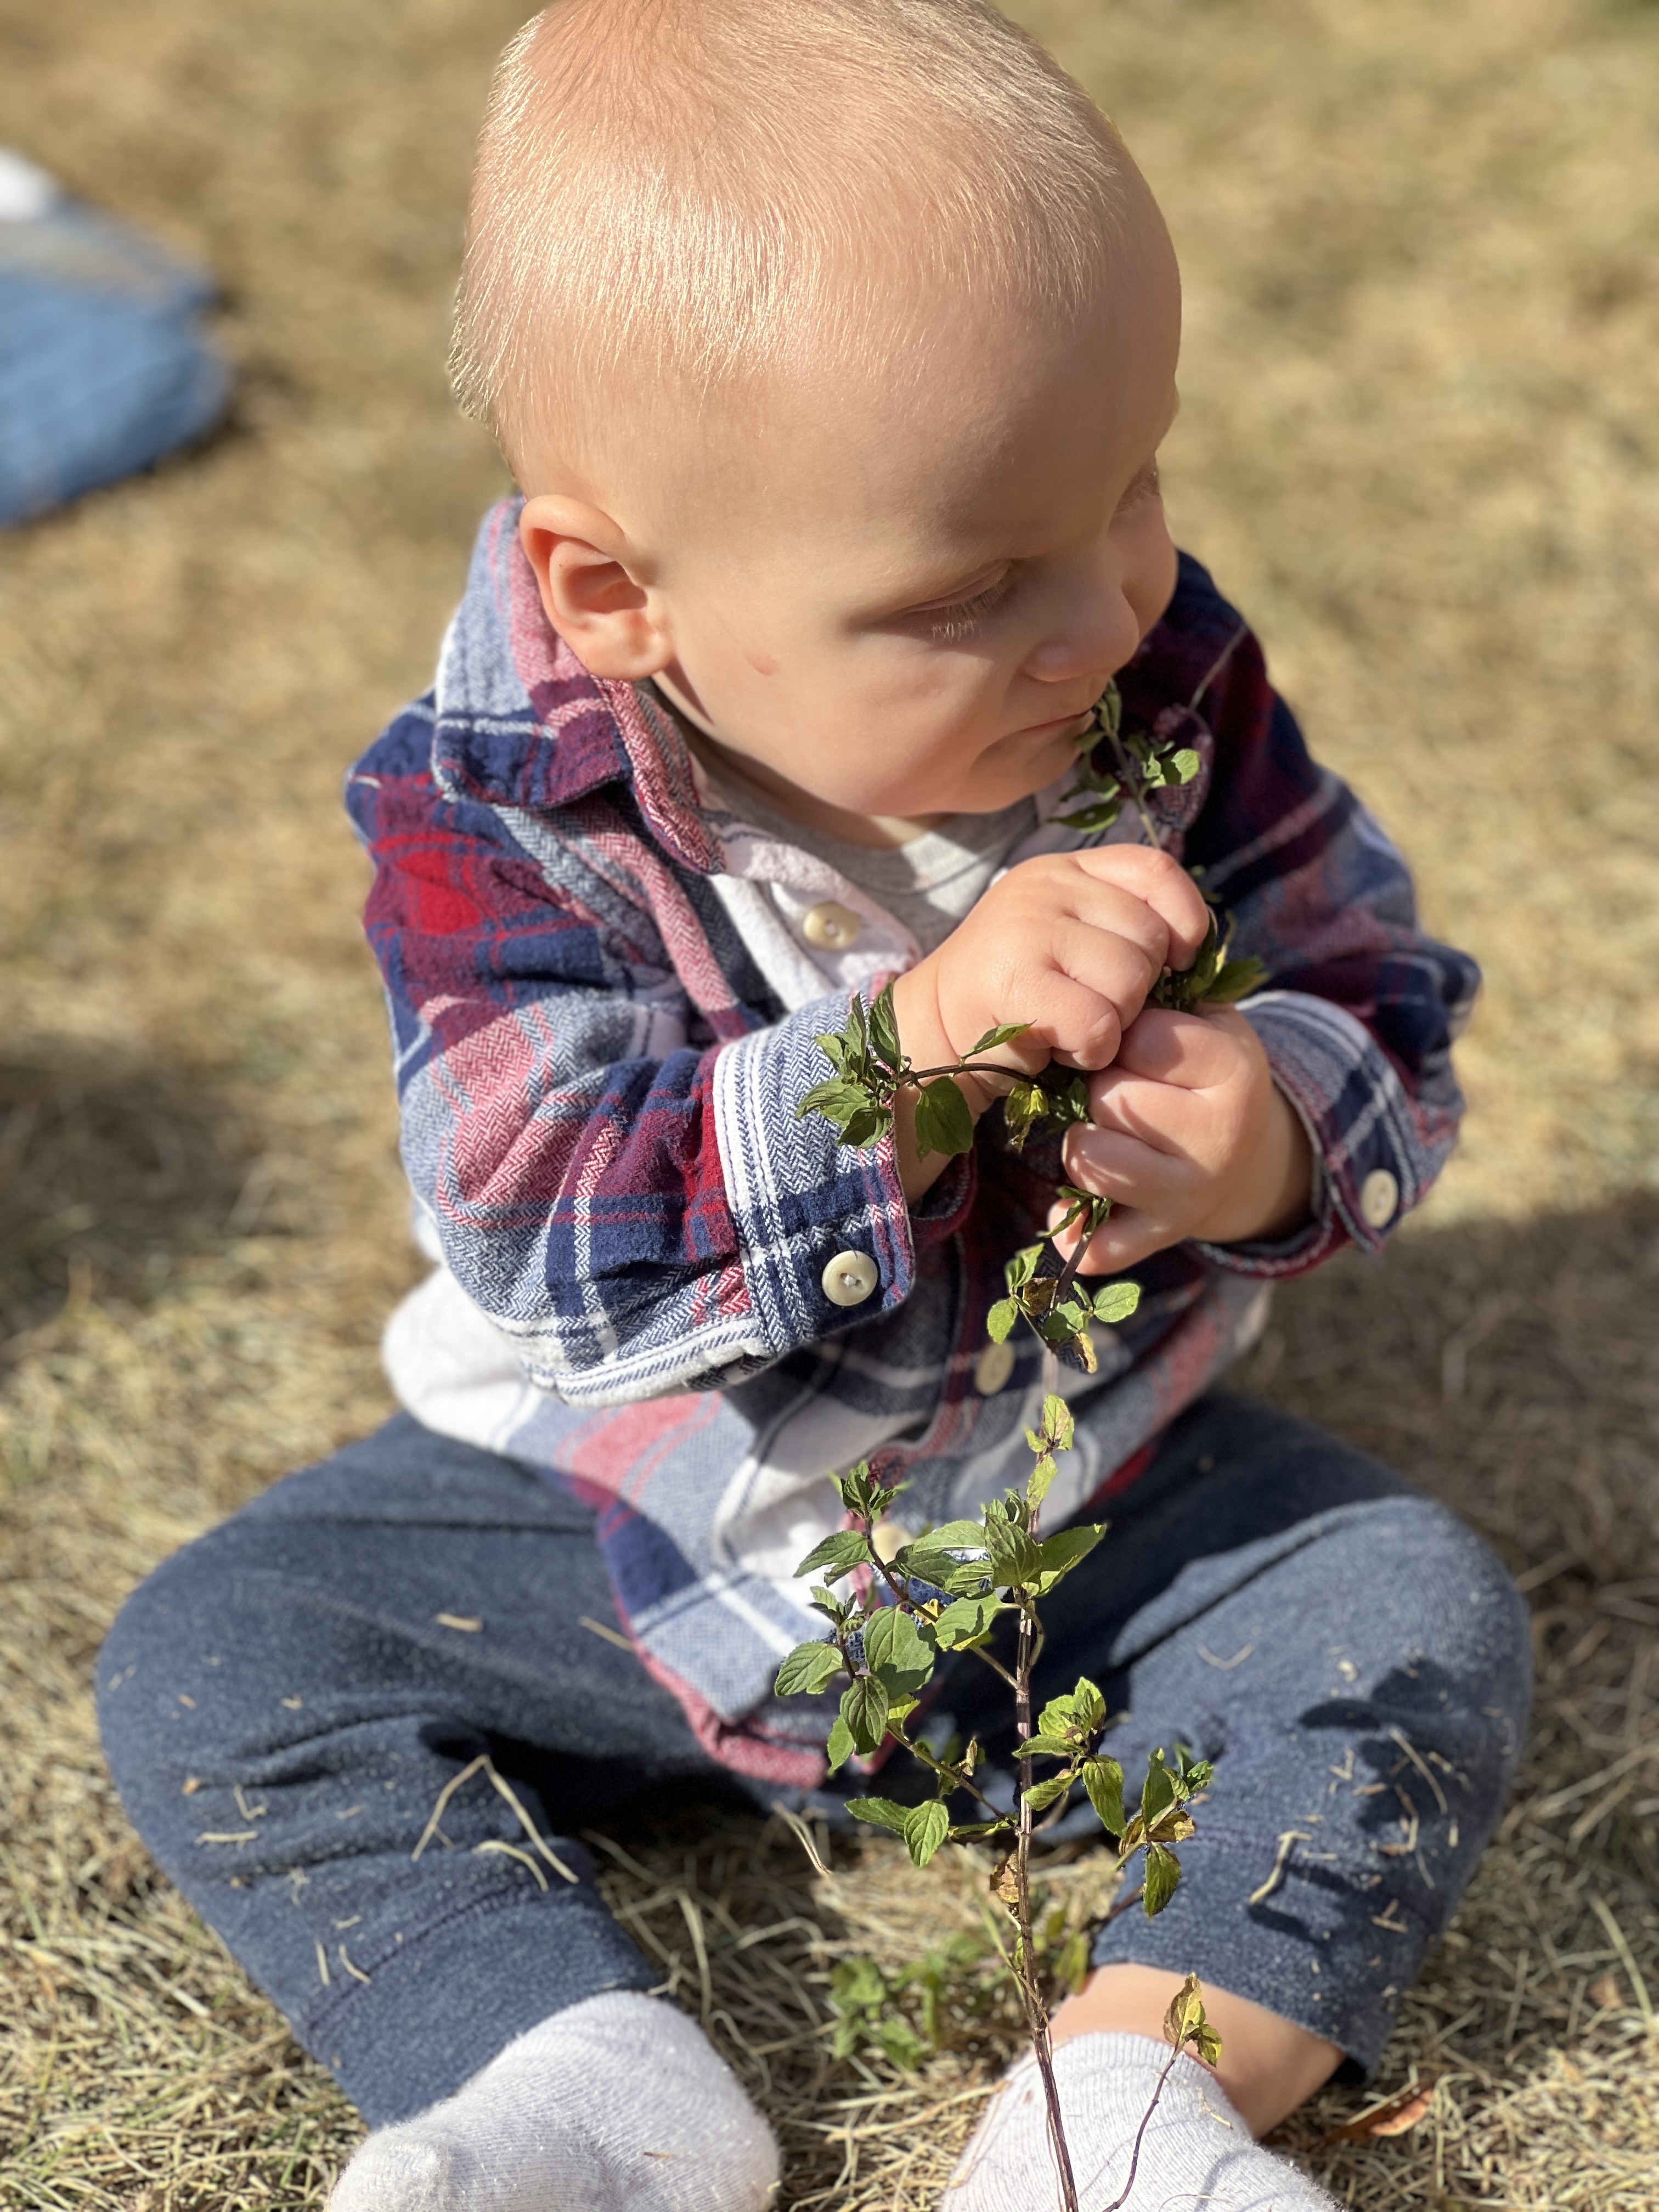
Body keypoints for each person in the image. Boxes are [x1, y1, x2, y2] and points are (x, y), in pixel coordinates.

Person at [98, 3, 1531, 2207]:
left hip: (1081, 1502)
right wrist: (906, 1059)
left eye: (1134, 485)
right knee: (220, 1660)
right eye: (971, 590)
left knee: (1406, 1613)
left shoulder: (1159, 686)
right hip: (618, 1515)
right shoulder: (501, 812)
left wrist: (1267, 1131)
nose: (1105, 612)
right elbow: (545, 1226)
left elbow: (1381, 993)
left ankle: (1121, 2116)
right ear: (617, 596)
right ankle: (573, 2085)